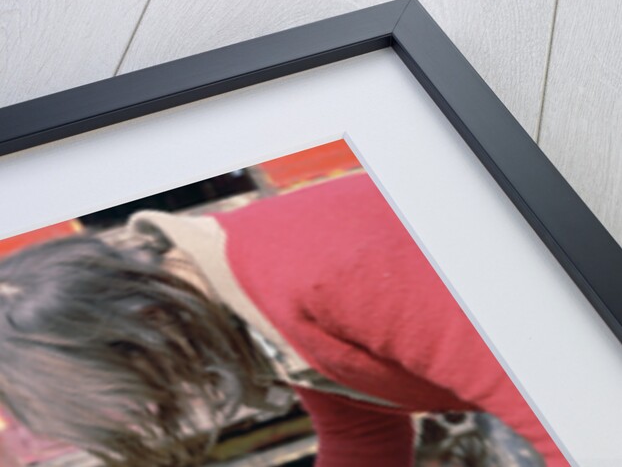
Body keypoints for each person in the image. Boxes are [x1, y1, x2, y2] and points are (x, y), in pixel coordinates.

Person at [0, 173, 567, 467]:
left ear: (142, 325)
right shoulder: (232, 294)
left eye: (148, 384)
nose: (162, 398)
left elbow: (566, 410)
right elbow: (360, 429)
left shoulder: (321, 277)